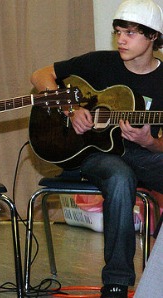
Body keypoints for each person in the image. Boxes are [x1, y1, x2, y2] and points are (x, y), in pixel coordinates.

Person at [30, 0, 163, 297]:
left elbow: (158, 146)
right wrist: (71, 109)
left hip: (140, 152)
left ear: (153, 36)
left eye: (130, 33)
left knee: (129, 169)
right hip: (91, 154)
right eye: (118, 32)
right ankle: (116, 285)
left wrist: (149, 141)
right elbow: (39, 75)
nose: (121, 40)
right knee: (119, 177)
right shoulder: (100, 62)